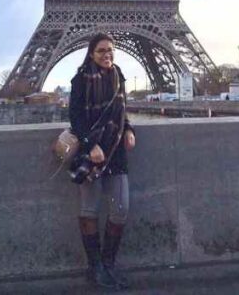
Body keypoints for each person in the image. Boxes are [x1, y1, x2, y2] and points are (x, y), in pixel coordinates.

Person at [69, 32, 136, 290]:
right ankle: (95, 267)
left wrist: (129, 130)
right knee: (89, 210)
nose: (107, 54)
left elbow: (122, 112)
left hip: (115, 150)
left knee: (121, 208)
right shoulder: (80, 80)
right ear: (91, 53)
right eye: (101, 51)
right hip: (91, 151)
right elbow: (76, 118)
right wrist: (90, 144)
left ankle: (109, 264)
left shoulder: (119, 76)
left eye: (111, 50)